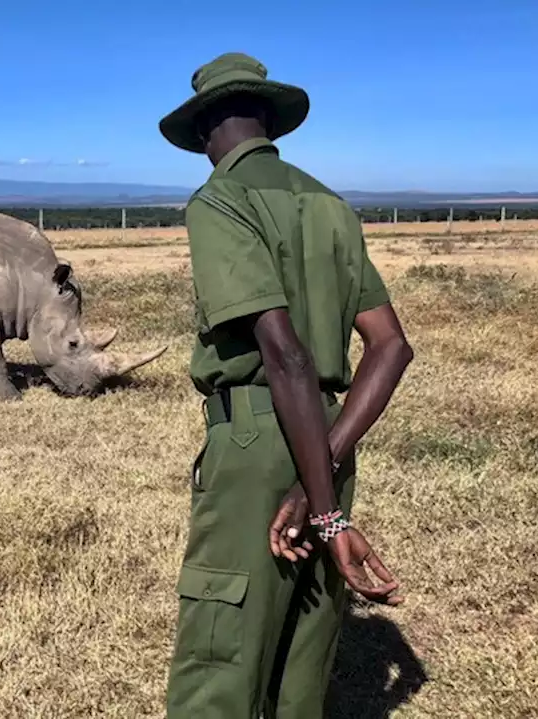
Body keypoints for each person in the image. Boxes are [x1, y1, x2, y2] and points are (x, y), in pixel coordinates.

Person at [158, 52, 415, 718]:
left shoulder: (220, 200)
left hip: (256, 441)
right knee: (306, 652)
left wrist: (320, 509)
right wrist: (323, 479)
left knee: (221, 659)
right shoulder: (330, 206)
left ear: (211, 125)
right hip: (331, 437)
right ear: (269, 119)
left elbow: (285, 356)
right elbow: (390, 346)